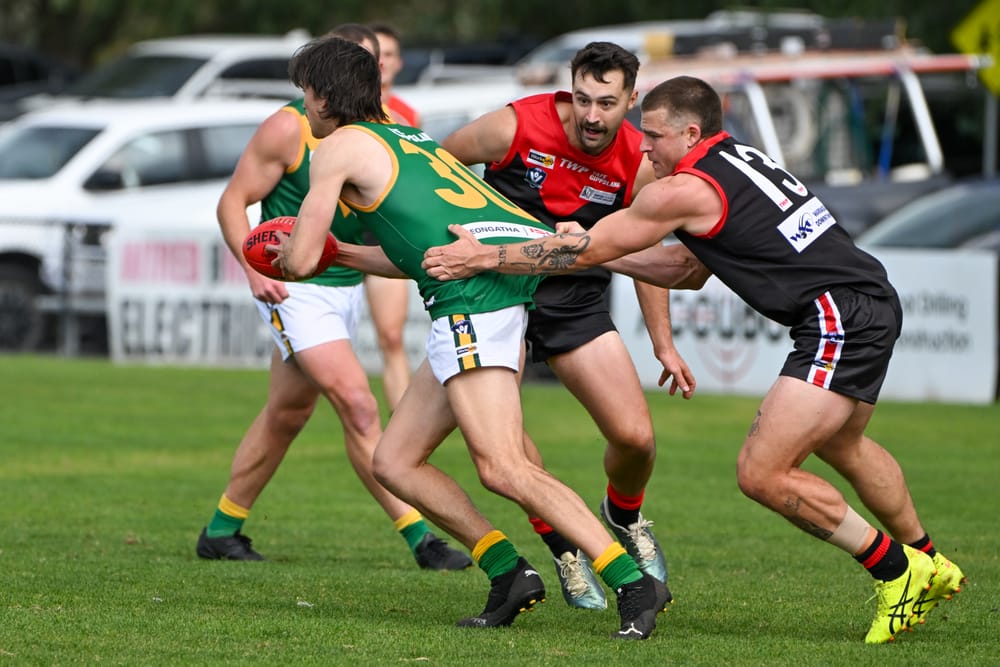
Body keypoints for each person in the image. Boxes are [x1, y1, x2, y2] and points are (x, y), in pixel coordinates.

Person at [421, 75, 967, 644]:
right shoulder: (738, 158)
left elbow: (587, 248)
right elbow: (686, 269)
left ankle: (899, 570)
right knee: (844, 445)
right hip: (865, 301)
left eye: (653, 137)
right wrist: (610, 255)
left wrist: (483, 256)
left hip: (836, 316)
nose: (645, 148)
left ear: (690, 131)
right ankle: (930, 558)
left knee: (763, 472)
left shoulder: (681, 189)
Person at [273, 35, 671, 639]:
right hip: (487, 286)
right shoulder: (406, 137)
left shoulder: (335, 149)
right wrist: (346, 251)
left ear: (325, 98)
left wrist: (279, 251)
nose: (304, 110)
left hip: (473, 300)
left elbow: (300, 262)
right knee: (396, 461)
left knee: (504, 465)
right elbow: (421, 254)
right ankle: (510, 573)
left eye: (305, 95)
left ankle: (631, 582)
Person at [196, 23, 471, 572]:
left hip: (343, 284)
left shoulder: (394, 129)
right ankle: (421, 538)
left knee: (287, 413)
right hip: (293, 289)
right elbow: (233, 202)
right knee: (359, 403)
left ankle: (222, 529)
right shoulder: (288, 128)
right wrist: (253, 275)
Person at [438, 41, 694, 610]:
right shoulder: (512, 126)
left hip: (574, 293)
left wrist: (663, 344)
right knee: (507, 449)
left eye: (607, 102)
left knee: (635, 438)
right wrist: (458, 242)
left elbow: (647, 252)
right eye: (582, 99)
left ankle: (623, 515)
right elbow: (434, 170)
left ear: (631, 99)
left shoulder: (637, 159)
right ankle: (564, 548)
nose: (592, 115)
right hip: (493, 291)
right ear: (569, 91)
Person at [357, 21, 419, 412]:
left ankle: (403, 431)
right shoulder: (334, 110)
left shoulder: (408, 115)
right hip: (338, 229)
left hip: (379, 234)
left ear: (398, 64)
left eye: (389, 55)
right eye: (373, 55)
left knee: (392, 337)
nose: (381, 63)